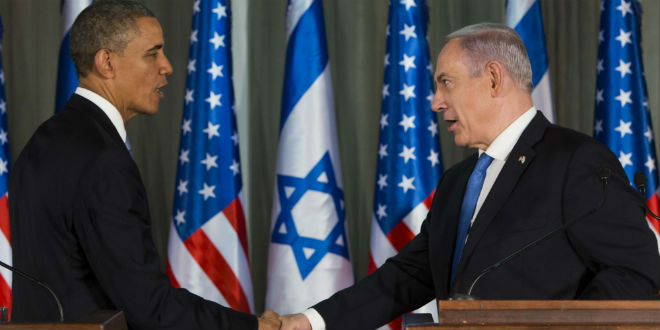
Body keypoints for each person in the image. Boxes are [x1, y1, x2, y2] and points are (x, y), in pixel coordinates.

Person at [279, 23, 660, 329]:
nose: (435, 101)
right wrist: (310, 322)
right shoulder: (457, 181)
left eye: (446, 82)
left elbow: (635, 275)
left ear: (493, 78)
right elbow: (406, 277)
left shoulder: (576, 162)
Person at [9, 1, 280, 329]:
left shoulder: (44, 141)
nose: (166, 66)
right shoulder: (103, 160)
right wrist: (253, 327)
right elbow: (148, 307)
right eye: (152, 54)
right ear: (107, 61)